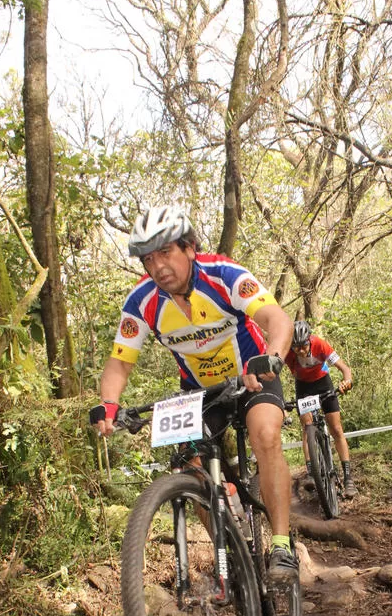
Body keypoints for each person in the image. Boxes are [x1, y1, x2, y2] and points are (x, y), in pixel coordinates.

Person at [92, 204, 298, 583]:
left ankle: (283, 545)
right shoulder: (142, 302)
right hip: (200, 392)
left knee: (266, 433)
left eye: (165, 253)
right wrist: (109, 406)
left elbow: (276, 319)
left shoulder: (224, 275)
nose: (158, 267)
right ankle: (229, 549)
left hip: (251, 373)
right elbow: (119, 362)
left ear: (189, 248)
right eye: (148, 259)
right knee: (187, 464)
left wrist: (270, 359)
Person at [285, 319, 358, 498]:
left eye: (303, 346)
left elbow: (344, 369)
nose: (300, 351)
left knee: (336, 428)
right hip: (303, 387)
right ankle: (311, 473)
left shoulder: (320, 345)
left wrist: (346, 381)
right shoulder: (289, 353)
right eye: (296, 347)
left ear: (309, 340)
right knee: (307, 427)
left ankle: (348, 478)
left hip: (323, 383)